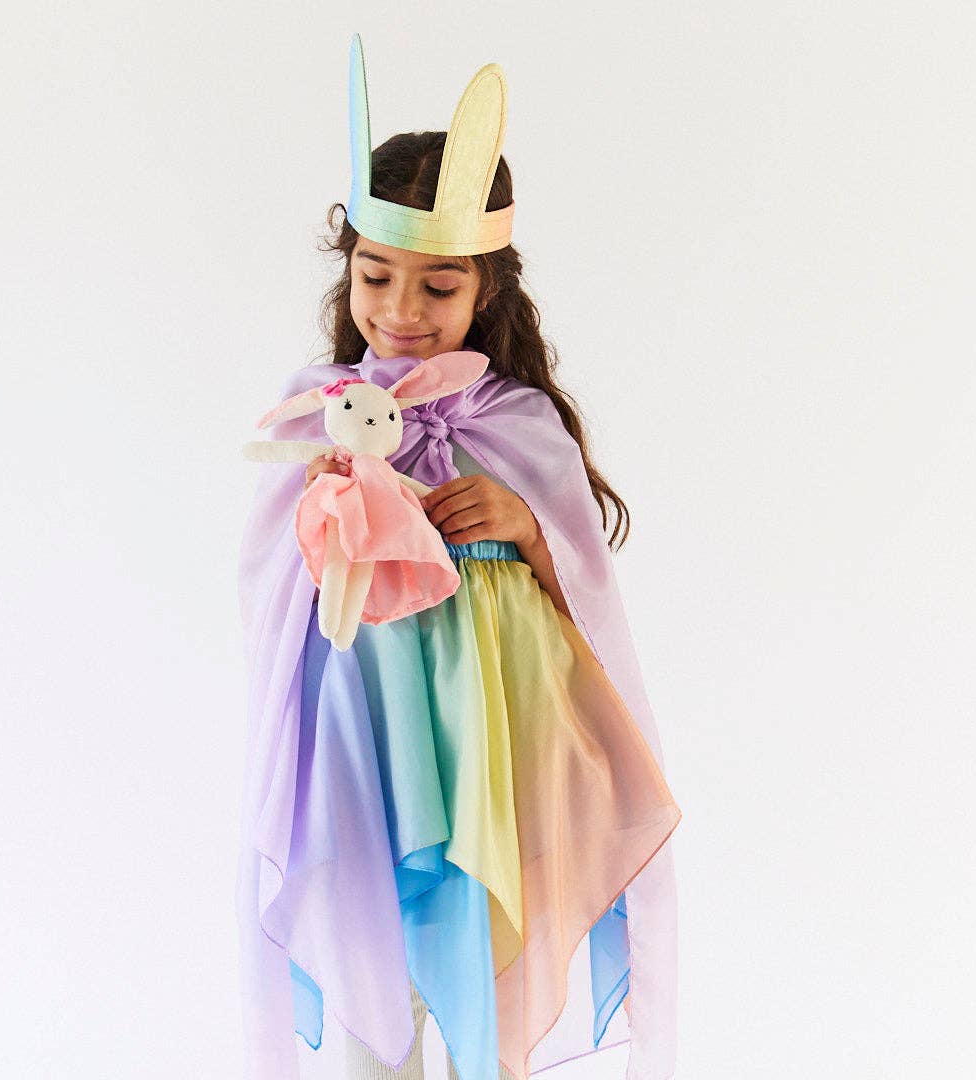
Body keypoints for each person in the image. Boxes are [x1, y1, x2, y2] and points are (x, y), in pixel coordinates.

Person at [236, 34, 681, 1080]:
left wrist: (525, 525)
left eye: (438, 289)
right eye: (376, 277)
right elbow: (264, 590)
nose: (399, 313)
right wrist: (328, 512)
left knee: (484, 961)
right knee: (370, 979)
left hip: (494, 731)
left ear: (488, 288)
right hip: (360, 725)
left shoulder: (519, 418)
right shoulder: (316, 412)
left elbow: (587, 595)